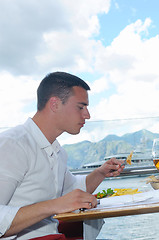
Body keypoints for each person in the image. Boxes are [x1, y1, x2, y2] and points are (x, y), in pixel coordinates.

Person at [0, 72, 125, 239]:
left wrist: (101, 173)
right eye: (81, 107)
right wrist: (54, 206)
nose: (87, 115)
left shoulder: (58, 152)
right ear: (55, 104)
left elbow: (71, 191)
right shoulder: (12, 145)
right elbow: (61, 202)